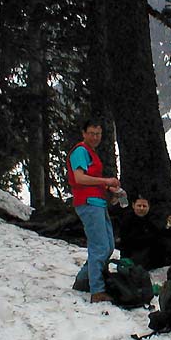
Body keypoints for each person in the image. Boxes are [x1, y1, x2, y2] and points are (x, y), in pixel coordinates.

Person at [68, 120, 120, 303]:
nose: (95, 137)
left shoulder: (91, 153)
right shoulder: (80, 151)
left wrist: (110, 192)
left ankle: (83, 280)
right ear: (84, 133)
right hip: (88, 202)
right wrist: (106, 181)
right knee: (100, 246)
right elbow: (79, 178)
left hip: (98, 202)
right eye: (91, 133)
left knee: (108, 246)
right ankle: (97, 290)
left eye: (98, 134)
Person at [118, 195, 171, 270]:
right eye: (139, 206)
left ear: (148, 207)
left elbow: (161, 233)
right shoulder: (127, 221)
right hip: (134, 255)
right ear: (133, 205)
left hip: (151, 255)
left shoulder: (151, 220)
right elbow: (126, 241)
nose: (141, 208)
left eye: (144, 206)